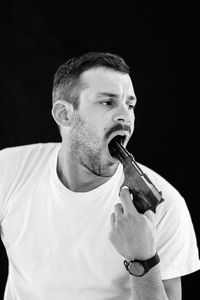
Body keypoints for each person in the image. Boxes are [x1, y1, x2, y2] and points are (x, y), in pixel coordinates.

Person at [0, 52, 199, 300]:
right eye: (108, 102)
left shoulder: (164, 206)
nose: (125, 116)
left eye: (130, 104)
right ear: (64, 114)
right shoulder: (8, 171)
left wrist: (143, 259)